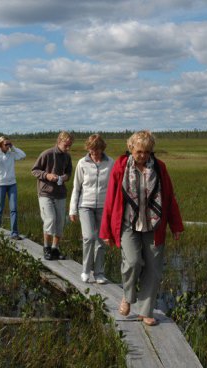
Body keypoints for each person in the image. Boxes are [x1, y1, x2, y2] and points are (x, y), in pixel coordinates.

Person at [100, 130, 183, 326]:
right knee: (133, 262)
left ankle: (146, 312)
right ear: (131, 149)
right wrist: (105, 231)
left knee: (153, 269)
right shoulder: (120, 167)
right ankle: (128, 297)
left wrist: (176, 225)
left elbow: (169, 198)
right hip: (128, 224)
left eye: (147, 152)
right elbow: (111, 199)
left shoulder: (160, 168)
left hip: (154, 224)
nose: (143, 156)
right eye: (139, 152)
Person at [69, 134, 114, 284]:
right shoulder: (82, 163)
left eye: (97, 150)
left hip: (104, 207)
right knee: (88, 237)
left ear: (102, 148)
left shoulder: (110, 163)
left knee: (101, 240)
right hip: (85, 206)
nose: (94, 153)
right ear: (88, 148)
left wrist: (113, 209)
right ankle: (86, 270)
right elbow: (76, 187)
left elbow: (114, 187)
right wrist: (72, 210)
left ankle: (99, 273)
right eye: (92, 150)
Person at [31, 131, 73, 261]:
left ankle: (55, 249)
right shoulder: (47, 154)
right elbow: (34, 170)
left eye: (70, 145)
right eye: (66, 145)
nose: (68, 148)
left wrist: (65, 177)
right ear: (59, 141)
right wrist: (47, 175)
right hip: (45, 193)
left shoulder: (67, 157)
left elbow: (69, 173)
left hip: (60, 193)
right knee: (50, 219)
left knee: (60, 222)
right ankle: (46, 248)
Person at [0, 136, 26, 240]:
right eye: (6, 144)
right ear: (0, 145)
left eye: (9, 144)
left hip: (12, 184)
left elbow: (23, 155)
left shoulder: (11, 154)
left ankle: (14, 233)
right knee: (0, 208)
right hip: (0, 184)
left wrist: (13, 147)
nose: (8, 146)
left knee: (14, 209)